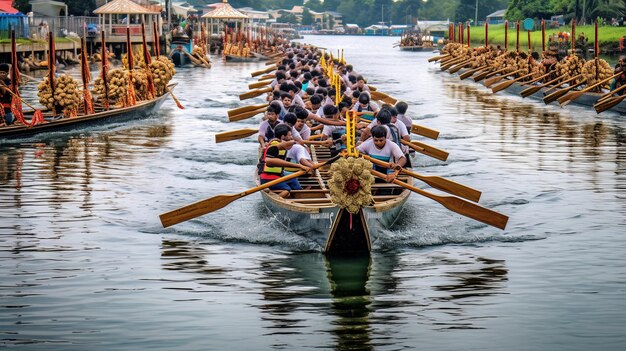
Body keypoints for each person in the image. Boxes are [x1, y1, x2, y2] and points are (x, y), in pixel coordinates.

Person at [258, 124, 310, 197]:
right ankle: (278, 199)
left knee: (293, 177)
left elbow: (290, 144)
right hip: (268, 177)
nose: (291, 137)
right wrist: (298, 165)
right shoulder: (275, 145)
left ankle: (299, 192)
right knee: (286, 190)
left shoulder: (278, 142)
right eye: (289, 135)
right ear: (282, 137)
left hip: (279, 174)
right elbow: (269, 161)